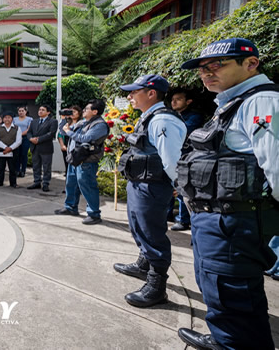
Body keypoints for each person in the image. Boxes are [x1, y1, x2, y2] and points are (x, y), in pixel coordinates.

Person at [175, 38, 279, 350]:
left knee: (234, 295)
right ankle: (224, 339)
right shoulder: (232, 103)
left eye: (217, 65)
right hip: (218, 221)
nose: (206, 73)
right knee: (219, 290)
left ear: (251, 64)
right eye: (203, 69)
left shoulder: (262, 102)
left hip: (235, 222)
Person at [113, 75, 187, 308]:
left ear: (151, 93)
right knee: (139, 227)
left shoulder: (163, 121)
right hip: (141, 184)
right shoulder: (150, 117)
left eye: (134, 92)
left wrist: (179, 188)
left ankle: (156, 287)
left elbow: (172, 160)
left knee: (152, 233)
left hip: (152, 186)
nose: (129, 97)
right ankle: (143, 264)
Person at [54, 99, 109, 225]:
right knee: (71, 184)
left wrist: (69, 132)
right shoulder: (83, 122)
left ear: (95, 111)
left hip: (87, 160)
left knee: (88, 187)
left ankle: (94, 214)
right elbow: (64, 131)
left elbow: (86, 139)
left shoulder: (99, 125)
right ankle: (70, 207)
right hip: (75, 158)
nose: (83, 110)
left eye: (86, 109)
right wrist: (64, 119)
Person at [166, 89, 204, 231]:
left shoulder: (194, 116)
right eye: (173, 99)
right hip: (172, 155)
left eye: (178, 99)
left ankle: (183, 220)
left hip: (186, 157)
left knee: (182, 188)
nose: (174, 102)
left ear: (188, 102)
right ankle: (167, 214)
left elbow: (182, 131)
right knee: (169, 186)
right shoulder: (171, 115)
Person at [26, 104, 58, 192]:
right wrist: (31, 139)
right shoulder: (34, 121)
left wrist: (39, 140)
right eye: (39, 109)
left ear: (48, 112)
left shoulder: (53, 121)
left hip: (45, 148)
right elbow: (29, 132)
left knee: (46, 167)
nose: (40, 111)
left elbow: (51, 134)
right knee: (36, 166)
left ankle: (45, 183)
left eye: (43, 110)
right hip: (35, 147)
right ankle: (37, 182)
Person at [0, 112, 22, 188]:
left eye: (9, 117)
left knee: (12, 168)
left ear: (12, 119)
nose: (7, 119)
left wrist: (10, 148)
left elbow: (19, 141)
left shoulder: (17, 128)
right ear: (3, 119)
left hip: (13, 151)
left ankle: (13, 183)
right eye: (5, 117)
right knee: (1, 167)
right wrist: (5, 147)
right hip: (1, 151)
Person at [57, 106, 82, 193]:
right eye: (71, 112)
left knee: (78, 169)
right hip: (68, 147)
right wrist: (63, 118)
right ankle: (69, 187)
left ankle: (78, 188)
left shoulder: (81, 123)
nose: (72, 113)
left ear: (79, 113)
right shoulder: (68, 123)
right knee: (68, 168)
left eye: (74, 112)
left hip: (77, 148)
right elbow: (61, 132)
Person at [13, 106, 33, 178]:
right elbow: (13, 128)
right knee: (17, 154)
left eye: (22, 111)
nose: (21, 112)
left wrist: (20, 134)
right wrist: (17, 135)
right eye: (19, 111)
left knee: (24, 155)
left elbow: (29, 129)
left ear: (26, 111)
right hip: (16, 138)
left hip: (25, 138)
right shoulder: (14, 119)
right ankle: (17, 170)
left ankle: (23, 170)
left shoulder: (29, 119)